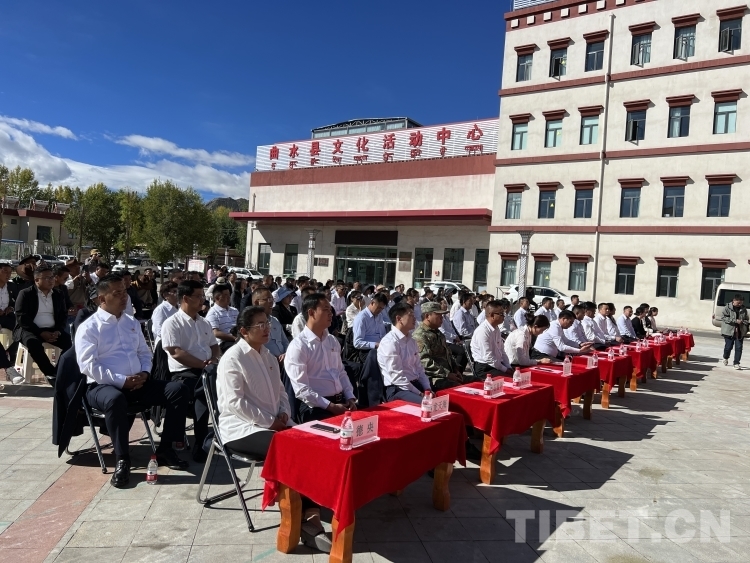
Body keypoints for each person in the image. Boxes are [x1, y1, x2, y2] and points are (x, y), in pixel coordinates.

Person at [216, 306, 330, 552]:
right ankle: (299, 519)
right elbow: (234, 403)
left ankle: (311, 510)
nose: (267, 328)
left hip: (275, 422)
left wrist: (284, 413)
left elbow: (281, 392)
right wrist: (270, 422)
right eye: (260, 325)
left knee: (313, 443)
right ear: (244, 331)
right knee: (291, 450)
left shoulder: (268, 356)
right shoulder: (233, 357)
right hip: (242, 428)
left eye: (267, 323)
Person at [76, 274, 189, 487]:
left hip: (138, 383)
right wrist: (121, 380)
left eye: (125, 292)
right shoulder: (90, 327)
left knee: (178, 390)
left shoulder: (131, 322)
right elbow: (88, 366)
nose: (124, 297)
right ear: (102, 299)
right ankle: (122, 459)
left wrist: (145, 373)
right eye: (117, 293)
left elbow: (144, 353)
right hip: (102, 386)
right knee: (115, 399)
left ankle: (165, 449)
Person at [161, 280, 220, 462]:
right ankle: (201, 443)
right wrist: (202, 365)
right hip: (184, 373)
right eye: (199, 296)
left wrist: (213, 359)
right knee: (204, 390)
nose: (203, 299)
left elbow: (214, 345)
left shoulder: (203, 322)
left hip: (206, 369)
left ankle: (215, 437)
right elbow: (176, 352)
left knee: (223, 382)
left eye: (203, 295)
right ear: (186, 298)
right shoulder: (172, 323)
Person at [286, 293, 357, 422]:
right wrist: (331, 406)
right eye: (325, 310)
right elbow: (302, 389)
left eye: (330, 310)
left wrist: (350, 397)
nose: (331, 314)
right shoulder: (299, 346)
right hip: (315, 406)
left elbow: (340, 372)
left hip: (341, 402)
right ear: (311, 313)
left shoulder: (332, 341)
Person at [14, 266, 72, 385]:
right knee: (33, 344)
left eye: (52, 277)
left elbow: (63, 315)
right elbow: (21, 317)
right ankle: (50, 374)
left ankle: (58, 372)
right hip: (30, 329)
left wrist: (58, 330)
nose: (51, 280)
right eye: (47, 278)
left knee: (71, 344)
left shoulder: (58, 294)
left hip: (53, 329)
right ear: (37, 280)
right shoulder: (26, 293)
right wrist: (40, 332)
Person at [377, 301, 432, 404]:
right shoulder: (390, 342)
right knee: (427, 405)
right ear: (399, 319)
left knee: (442, 399)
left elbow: (419, 368)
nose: (414, 318)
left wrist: (427, 388)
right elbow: (397, 378)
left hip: (414, 384)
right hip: (398, 389)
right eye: (410, 315)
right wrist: (419, 393)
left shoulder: (412, 340)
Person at [413, 302, 466, 391]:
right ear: (427, 316)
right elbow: (424, 361)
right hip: (434, 378)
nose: (442, 318)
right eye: (438, 315)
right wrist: (447, 374)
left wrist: (456, 369)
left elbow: (448, 354)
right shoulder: (420, 335)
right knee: (460, 389)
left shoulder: (438, 333)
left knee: (475, 381)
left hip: (448, 375)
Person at [470, 300, 512, 376]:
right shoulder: (482, 331)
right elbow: (488, 357)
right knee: (508, 377)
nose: (504, 316)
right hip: (485, 367)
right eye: (501, 314)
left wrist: (508, 367)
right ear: (492, 315)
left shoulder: (496, 328)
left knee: (517, 374)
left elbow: (502, 351)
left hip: (496, 364)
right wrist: (505, 370)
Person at [252, 286, 289, 361]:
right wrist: (274, 360)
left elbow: (285, 342)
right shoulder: (252, 324)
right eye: (268, 299)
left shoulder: (275, 320)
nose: (272, 302)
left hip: (285, 360)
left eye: (272, 299)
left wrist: (286, 354)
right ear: (257, 302)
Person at [351, 292, 388, 362]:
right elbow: (357, 343)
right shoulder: (361, 318)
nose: (380, 310)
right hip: (367, 351)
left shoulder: (379, 316)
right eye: (379, 307)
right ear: (372, 303)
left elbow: (382, 335)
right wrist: (375, 345)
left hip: (380, 348)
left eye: (382, 309)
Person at [205, 284, 239, 352]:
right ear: (217, 298)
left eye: (229, 294)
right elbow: (216, 333)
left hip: (238, 338)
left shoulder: (234, 310)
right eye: (226, 295)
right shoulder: (213, 313)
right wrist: (235, 338)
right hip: (224, 342)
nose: (229, 297)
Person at [721, 294, 748, 369]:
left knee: (739, 347)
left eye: (741, 303)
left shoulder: (743, 309)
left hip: (740, 331)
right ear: (734, 301)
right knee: (728, 347)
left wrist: (744, 322)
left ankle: (736, 363)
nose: (740, 304)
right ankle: (725, 357)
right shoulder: (727, 308)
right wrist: (735, 321)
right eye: (738, 303)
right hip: (729, 331)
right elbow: (723, 317)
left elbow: (746, 318)